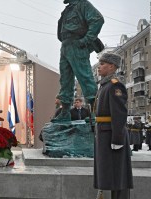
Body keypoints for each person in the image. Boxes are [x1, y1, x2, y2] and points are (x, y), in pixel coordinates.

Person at [53, 0, 104, 122]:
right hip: (65, 45)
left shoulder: (83, 4)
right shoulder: (68, 9)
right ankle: (65, 113)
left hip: (77, 44)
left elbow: (98, 19)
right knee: (65, 80)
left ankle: (93, 113)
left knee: (85, 77)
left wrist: (86, 40)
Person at [94, 53, 133, 199]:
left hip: (111, 135)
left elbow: (119, 115)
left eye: (102, 64)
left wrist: (117, 139)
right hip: (104, 134)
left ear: (112, 66)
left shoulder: (115, 85)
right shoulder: (105, 85)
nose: (99, 67)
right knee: (108, 174)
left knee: (118, 175)